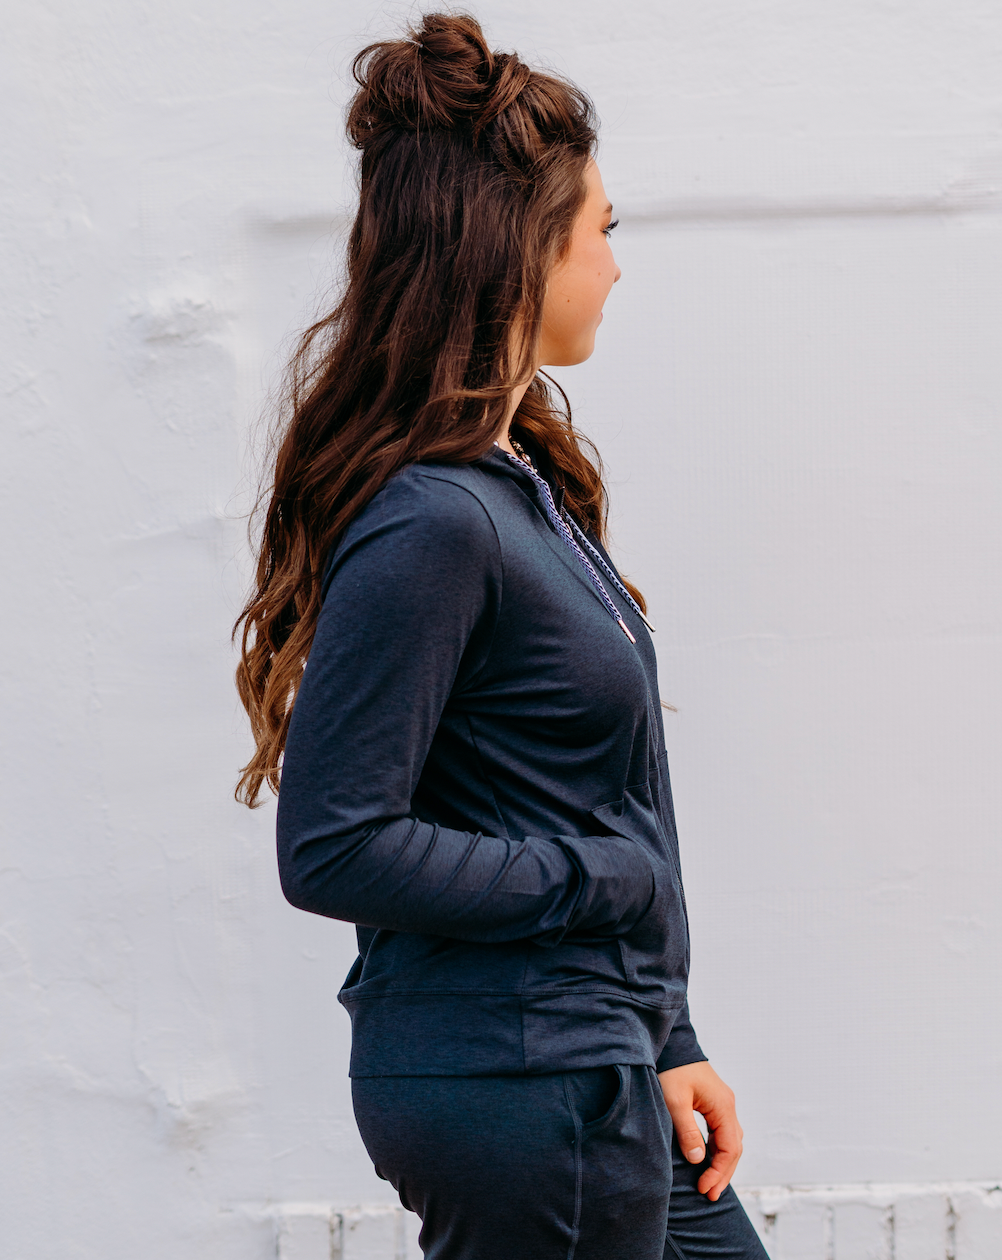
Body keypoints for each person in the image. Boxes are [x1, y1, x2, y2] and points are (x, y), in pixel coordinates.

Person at [235, 12, 769, 1260]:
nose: (617, 266)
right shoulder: (434, 519)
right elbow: (334, 844)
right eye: (603, 231)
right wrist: (601, 882)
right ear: (524, 252)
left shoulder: (518, 486)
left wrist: (669, 1036)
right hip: (520, 1082)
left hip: (595, 1060)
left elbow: (595, 785)